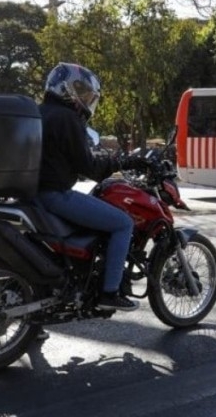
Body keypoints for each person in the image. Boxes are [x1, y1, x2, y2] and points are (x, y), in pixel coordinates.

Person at [36, 62, 148, 311]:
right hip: (55, 195)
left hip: (32, 194)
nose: (86, 100)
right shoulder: (67, 118)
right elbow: (90, 167)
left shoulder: (40, 112)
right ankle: (109, 292)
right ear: (67, 89)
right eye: (83, 92)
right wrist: (123, 160)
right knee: (123, 223)